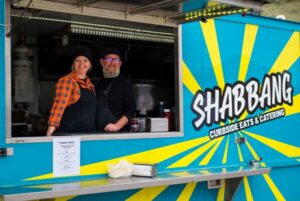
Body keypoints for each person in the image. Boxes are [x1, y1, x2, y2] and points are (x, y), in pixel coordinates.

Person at [47, 45, 97, 136]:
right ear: (73, 64)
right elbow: (59, 106)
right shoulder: (67, 81)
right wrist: (51, 130)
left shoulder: (91, 86)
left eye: (85, 60)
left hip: (88, 136)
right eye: (77, 60)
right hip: (69, 137)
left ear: (90, 64)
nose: (81, 64)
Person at [95, 48, 135, 132]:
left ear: (120, 64)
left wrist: (117, 126)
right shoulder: (96, 83)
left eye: (115, 60)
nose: (112, 63)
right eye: (108, 59)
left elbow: (130, 110)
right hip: (96, 132)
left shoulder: (125, 84)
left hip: (117, 134)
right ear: (102, 62)